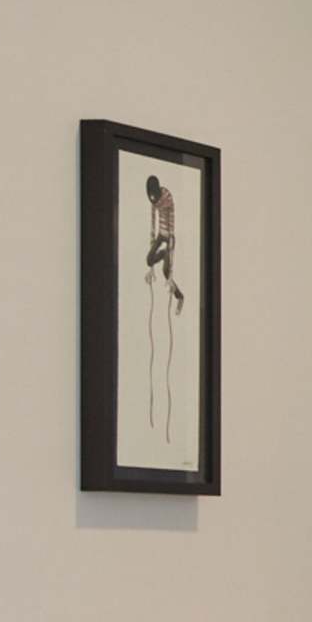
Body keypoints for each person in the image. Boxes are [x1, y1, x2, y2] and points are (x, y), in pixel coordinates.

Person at [140, 173, 183, 434]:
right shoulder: (154, 200)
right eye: (151, 197)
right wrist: (152, 238)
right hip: (160, 236)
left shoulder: (166, 197)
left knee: (168, 273)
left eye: (154, 196)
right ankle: (160, 263)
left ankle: (179, 296)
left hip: (171, 238)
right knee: (148, 260)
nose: (153, 200)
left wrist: (171, 264)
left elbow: (170, 225)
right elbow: (153, 219)